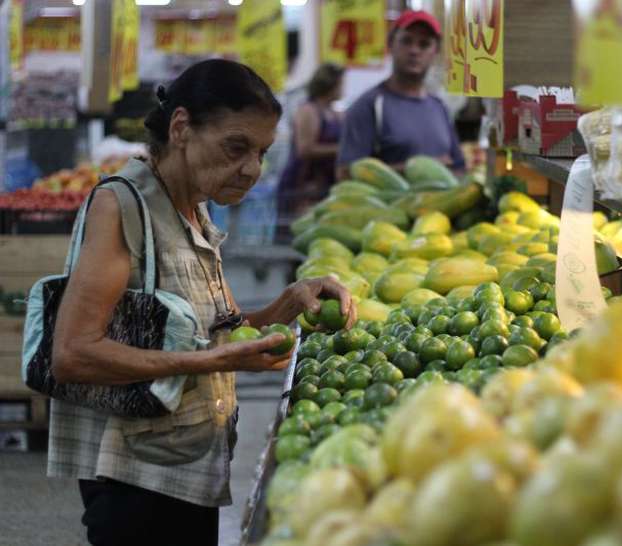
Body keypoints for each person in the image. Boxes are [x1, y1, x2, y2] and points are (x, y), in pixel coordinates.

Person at [48, 59, 356, 546]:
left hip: (192, 471)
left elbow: (215, 332)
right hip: (135, 484)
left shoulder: (192, 206)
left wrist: (290, 303)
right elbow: (72, 353)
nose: (252, 168)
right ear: (181, 127)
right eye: (237, 147)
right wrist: (213, 360)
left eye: (262, 152)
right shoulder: (122, 205)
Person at [336, 10, 465, 179]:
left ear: (435, 51)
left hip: (440, 206)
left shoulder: (439, 107)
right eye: (406, 41)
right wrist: (422, 168)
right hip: (389, 205)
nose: (414, 50)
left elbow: (459, 168)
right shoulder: (369, 106)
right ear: (390, 45)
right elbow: (345, 174)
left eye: (424, 44)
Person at [277, 63, 345, 219]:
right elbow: (304, 149)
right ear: (330, 85)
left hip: (326, 184)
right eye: (341, 84)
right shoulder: (308, 110)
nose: (343, 88)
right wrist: (339, 149)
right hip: (304, 185)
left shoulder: (336, 113)